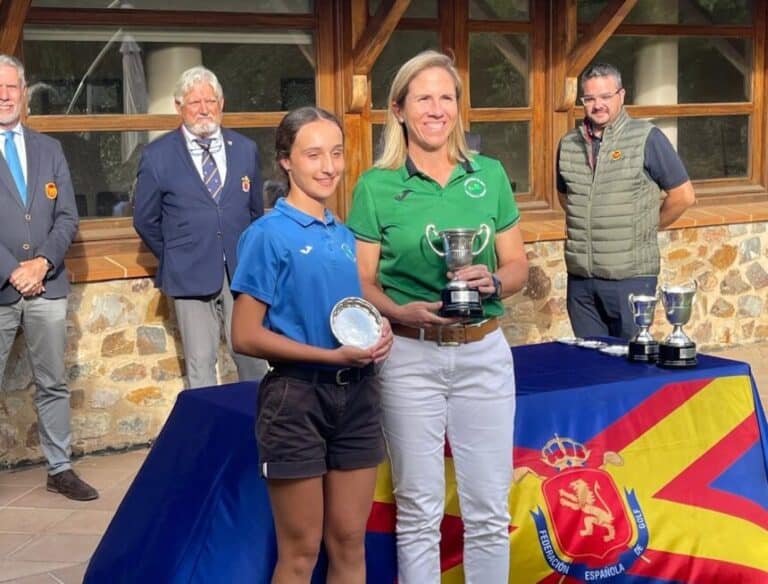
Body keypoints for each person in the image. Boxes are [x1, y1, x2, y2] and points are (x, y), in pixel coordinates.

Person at [346, 50, 529, 583]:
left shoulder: (489, 175)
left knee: (489, 512)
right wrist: (400, 310)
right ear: (399, 109)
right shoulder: (375, 186)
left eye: (446, 97)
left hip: (485, 353)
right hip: (408, 356)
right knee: (420, 511)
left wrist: (493, 281)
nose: (436, 108)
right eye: (423, 97)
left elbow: (517, 265)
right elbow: (360, 280)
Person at [230, 107, 393, 584]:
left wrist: (378, 334)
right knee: (300, 552)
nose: (328, 166)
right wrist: (329, 357)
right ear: (286, 161)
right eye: (313, 154)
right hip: (296, 399)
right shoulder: (266, 235)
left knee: (349, 544)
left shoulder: (345, 237)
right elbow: (244, 335)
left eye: (337, 153)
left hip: (359, 397)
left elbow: (352, 311)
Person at [0, 54, 97, 501]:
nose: (4, 95)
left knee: (52, 382)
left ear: (24, 92)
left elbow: (67, 217)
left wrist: (41, 263)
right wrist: (14, 272)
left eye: (12, 87)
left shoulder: (49, 149)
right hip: (3, 286)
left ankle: (59, 468)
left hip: (47, 285)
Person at [133, 66, 267, 388]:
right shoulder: (157, 156)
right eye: (195, 102)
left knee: (253, 358)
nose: (204, 109)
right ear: (179, 107)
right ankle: (210, 436)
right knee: (201, 365)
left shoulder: (246, 149)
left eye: (211, 100)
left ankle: (262, 432)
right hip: (188, 275)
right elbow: (145, 219)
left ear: (222, 104)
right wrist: (176, 254)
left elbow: (255, 214)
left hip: (242, 272)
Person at [557, 62, 696, 339]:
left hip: (630, 278)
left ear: (621, 95)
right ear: (582, 101)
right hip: (582, 281)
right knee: (590, 365)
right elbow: (566, 198)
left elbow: (683, 196)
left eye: (606, 96)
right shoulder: (568, 144)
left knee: (631, 364)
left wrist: (646, 226)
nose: (598, 105)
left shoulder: (647, 138)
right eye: (590, 98)